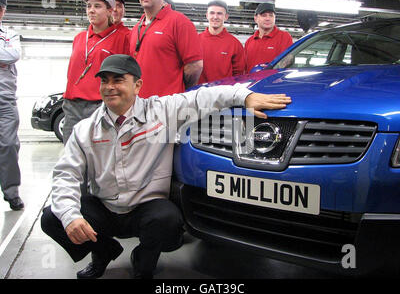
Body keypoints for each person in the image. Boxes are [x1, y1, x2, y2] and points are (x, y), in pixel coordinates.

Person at [40, 54, 292, 279]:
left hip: (145, 208)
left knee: (168, 221)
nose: (109, 87)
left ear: (137, 85)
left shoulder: (161, 113)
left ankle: (143, 261)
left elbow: (204, 96)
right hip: (104, 207)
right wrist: (71, 216)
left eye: (118, 80)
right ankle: (103, 251)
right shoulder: (87, 129)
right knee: (53, 216)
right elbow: (66, 174)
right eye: (104, 81)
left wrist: (245, 95)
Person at [62, 0, 130, 144]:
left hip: (101, 105)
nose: (91, 10)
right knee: (71, 153)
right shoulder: (79, 38)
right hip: (72, 105)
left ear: (109, 11)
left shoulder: (122, 38)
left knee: (99, 156)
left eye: (97, 6)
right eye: (89, 6)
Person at [129, 0, 203, 98]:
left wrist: (178, 89)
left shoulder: (180, 22)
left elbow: (195, 66)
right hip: (140, 104)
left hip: (168, 106)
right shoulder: (136, 28)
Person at [0, 0, 24, 211]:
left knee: (8, 145)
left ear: (4, 10)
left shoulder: (10, 34)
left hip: (5, 100)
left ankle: (11, 192)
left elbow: (13, 54)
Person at [198, 0, 245, 84]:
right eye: (212, 13)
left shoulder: (235, 44)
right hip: (199, 93)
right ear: (207, 15)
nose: (215, 17)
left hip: (224, 94)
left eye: (219, 13)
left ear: (226, 17)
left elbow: (239, 75)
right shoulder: (196, 40)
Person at [244, 3, 293, 73]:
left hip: (274, 82)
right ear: (256, 18)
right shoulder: (249, 41)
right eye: (264, 15)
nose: (268, 19)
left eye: (271, 15)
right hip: (253, 82)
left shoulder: (284, 37)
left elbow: (288, 60)